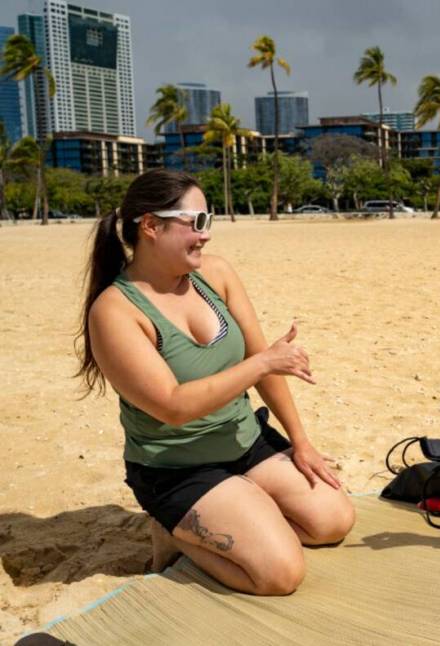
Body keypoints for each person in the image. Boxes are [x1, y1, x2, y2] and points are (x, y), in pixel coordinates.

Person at [76, 169, 355, 595]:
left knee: (333, 521)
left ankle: (241, 501)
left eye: (210, 221)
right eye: (197, 223)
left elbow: (260, 358)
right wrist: (262, 364)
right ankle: (175, 533)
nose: (206, 236)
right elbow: (172, 406)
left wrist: (301, 442)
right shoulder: (114, 311)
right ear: (151, 226)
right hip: (177, 468)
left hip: (243, 441)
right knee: (280, 575)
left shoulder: (216, 275)